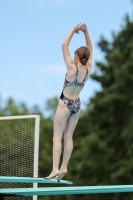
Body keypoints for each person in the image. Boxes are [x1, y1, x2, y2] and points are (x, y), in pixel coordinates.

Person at [45, 23, 92, 180]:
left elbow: (64, 44)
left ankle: (55, 169)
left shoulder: (72, 69)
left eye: (75, 56)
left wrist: (73, 30)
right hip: (77, 105)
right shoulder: (88, 70)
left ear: (77, 57)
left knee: (57, 136)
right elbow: (90, 49)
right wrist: (86, 32)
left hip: (65, 103)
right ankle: (64, 167)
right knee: (68, 137)